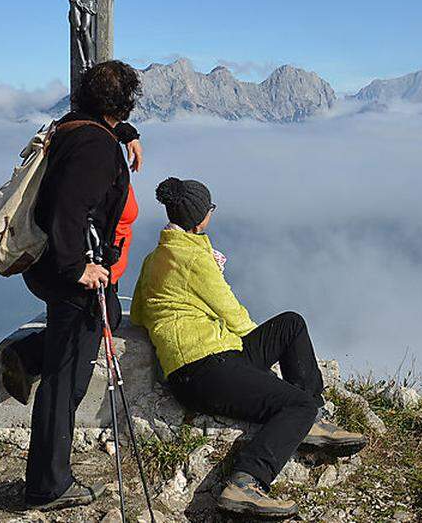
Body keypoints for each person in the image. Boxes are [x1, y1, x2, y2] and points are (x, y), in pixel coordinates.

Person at [131, 177, 367, 519]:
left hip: (211, 357)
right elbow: (234, 314)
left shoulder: (156, 257)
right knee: (296, 403)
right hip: (202, 370)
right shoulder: (194, 259)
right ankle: (246, 481)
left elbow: (138, 313)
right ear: (201, 218)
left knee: (290, 323)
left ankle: (310, 421)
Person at [0, 60, 144, 511]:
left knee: (108, 321)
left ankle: (23, 354)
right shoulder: (96, 150)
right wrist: (76, 268)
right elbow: (68, 210)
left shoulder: (74, 127)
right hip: (70, 279)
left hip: (47, 268)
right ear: (123, 103)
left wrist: (126, 133)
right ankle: (47, 485)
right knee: (67, 380)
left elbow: (92, 137)